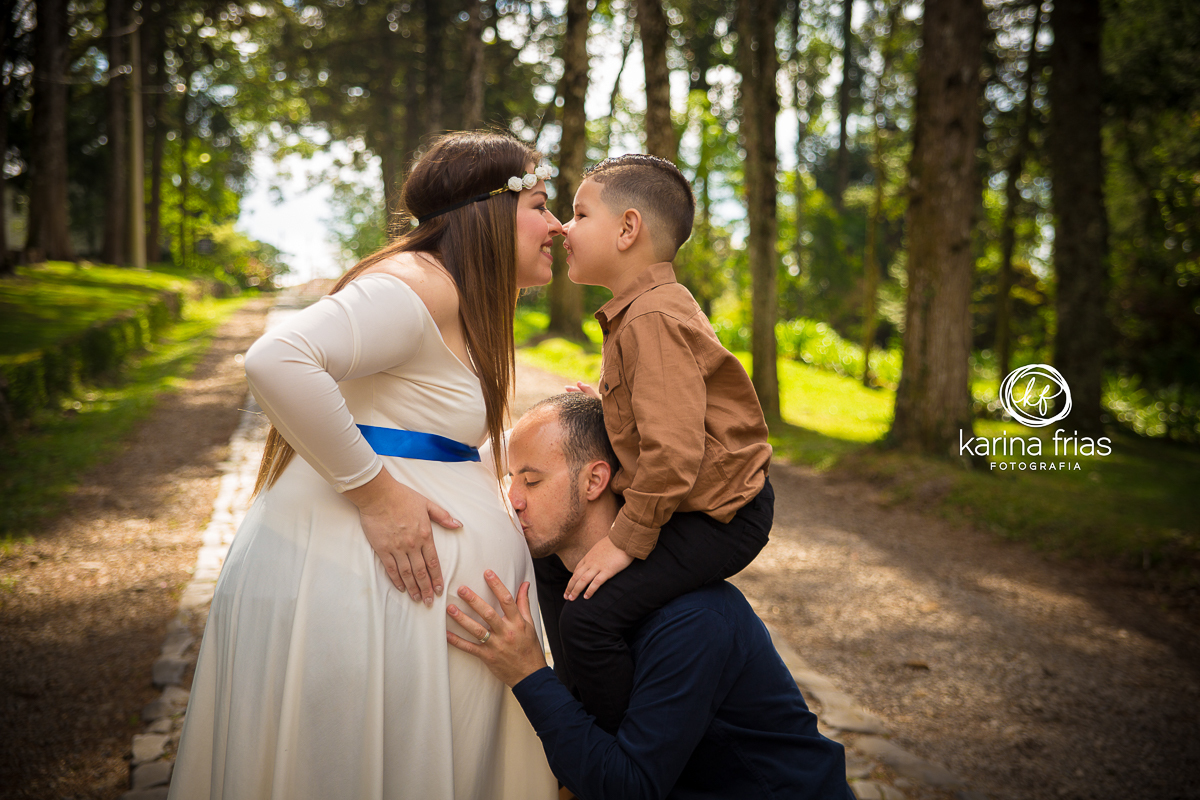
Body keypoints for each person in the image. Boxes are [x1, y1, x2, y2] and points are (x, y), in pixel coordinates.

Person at [168, 132, 561, 800]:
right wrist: (377, 496)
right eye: (543, 205)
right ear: (492, 212)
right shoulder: (415, 285)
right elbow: (276, 359)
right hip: (349, 596)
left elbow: (439, 439)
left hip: (390, 610)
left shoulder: (458, 300)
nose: (557, 226)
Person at [445, 394, 852, 800]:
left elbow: (629, 789)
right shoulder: (560, 577)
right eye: (511, 478)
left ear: (594, 481)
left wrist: (528, 674)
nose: (513, 499)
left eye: (531, 481)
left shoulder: (694, 619)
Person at [543, 154, 775, 733]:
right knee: (555, 558)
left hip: (721, 515)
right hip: (688, 499)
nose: (562, 228)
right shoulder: (642, 311)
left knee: (589, 619)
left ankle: (619, 752)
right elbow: (664, 412)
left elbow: (672, 454)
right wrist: (604, 406)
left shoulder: (650, 318)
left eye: (579, 213)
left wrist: (627, 540)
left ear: (627, 229)